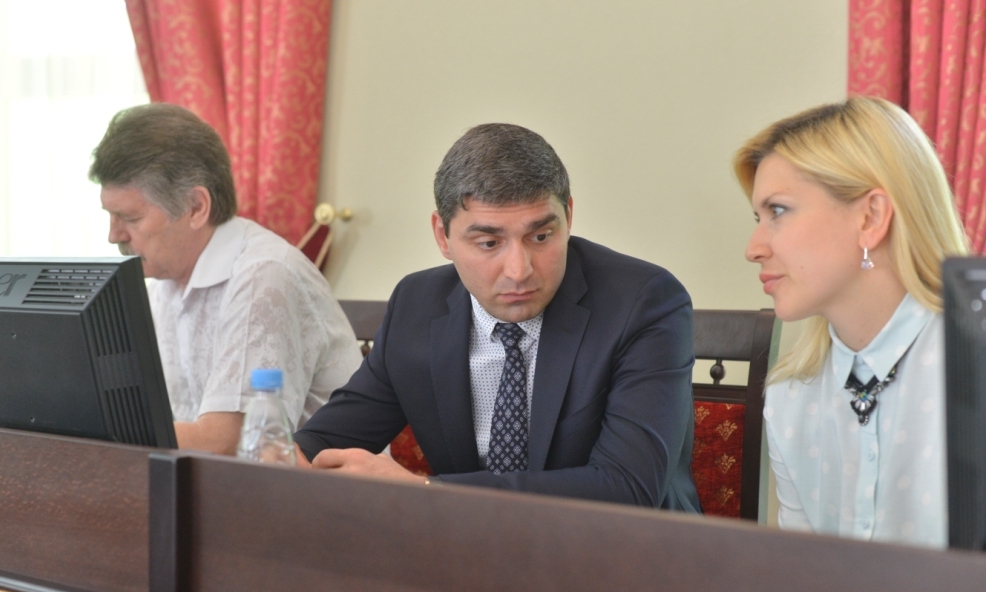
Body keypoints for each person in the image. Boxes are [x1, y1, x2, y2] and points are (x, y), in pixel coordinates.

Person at [294, 123, 701, 509]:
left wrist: (427, 494)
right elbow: (321, 443)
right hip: (466, 549)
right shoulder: (417, 306)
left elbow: (628, 488)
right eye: (489, 243)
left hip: (623, 550)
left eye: (540, 236)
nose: (519, 270)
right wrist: (286, 459)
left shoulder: (643, 303)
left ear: (568, 217)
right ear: (442, 236)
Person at [735, 97, 969, 547]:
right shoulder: (790, 397)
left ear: (871, 217)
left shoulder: (972, 367)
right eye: (758, 217)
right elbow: (806, 578)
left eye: (778, 211)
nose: (753, 248)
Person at [89, 103, 363, 455]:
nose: (114, 235)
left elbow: (227, 444)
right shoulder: (162, 285)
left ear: (196, 207)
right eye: (110, 216)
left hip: (322, 486)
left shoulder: (264, 276)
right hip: (212, 483)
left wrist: (92, 431)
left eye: (130, 218)